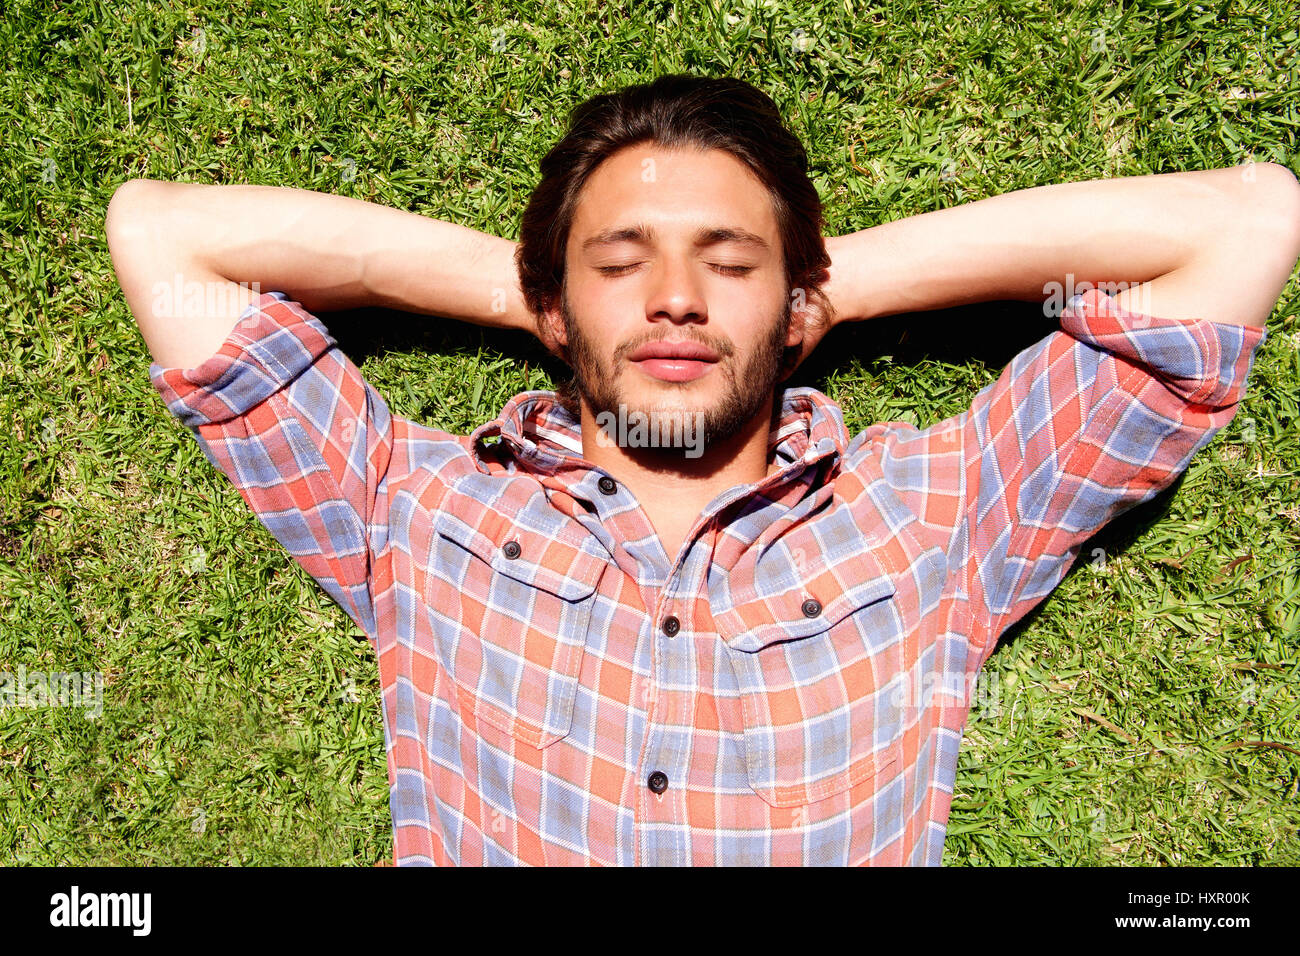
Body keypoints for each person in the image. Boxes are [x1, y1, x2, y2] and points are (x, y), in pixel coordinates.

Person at [105, 74, 1299, 865]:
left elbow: (1244, 226)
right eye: (621, 262)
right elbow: (163, 237)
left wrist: (831, 285)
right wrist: (534, 292)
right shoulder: (413, 506)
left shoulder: (940, 511)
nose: (675, 297)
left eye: (728, 262)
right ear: (553, 303)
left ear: (794, 295)